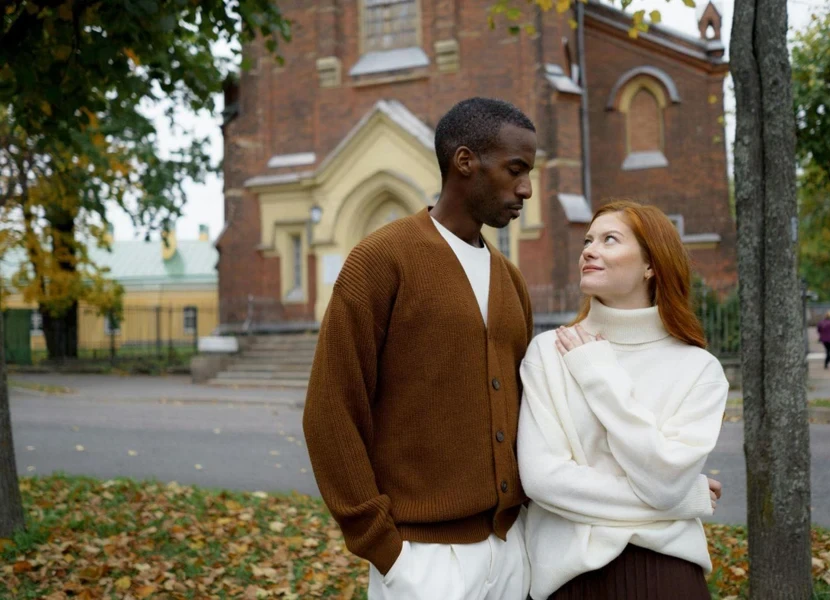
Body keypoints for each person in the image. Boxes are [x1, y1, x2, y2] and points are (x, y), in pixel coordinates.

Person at [302, 97, 537, 600]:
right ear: (465, 161)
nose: (527, 189)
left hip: (511, 551)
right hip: (423, 563)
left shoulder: (510, 280)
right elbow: (330, 411)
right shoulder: (382, 260)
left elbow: (533, 411)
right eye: (515, 169)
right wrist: (385, 549)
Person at [518, 201, 727, 600]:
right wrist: (685, 499)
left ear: (651, 264)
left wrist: (599, 375)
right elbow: (543, 480)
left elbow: (664, 482)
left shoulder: (699, 369)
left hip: (666, 577)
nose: (589, 250)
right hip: (570, 581)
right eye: (588, 240)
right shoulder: (548, 351)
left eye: (609, 239)